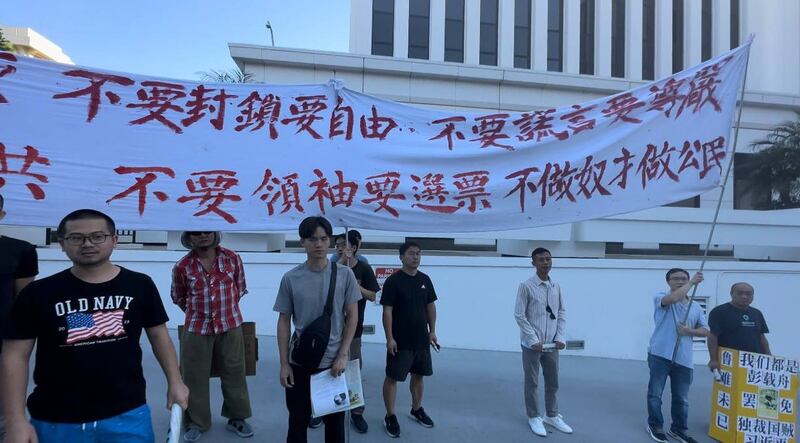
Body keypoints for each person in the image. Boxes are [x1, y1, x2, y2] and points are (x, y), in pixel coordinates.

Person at [1, 209, 189, 443]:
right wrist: (15, 420)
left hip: (128, 413)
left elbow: (159, 335)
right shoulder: (38, 293)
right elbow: (14, 356)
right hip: (55, 417)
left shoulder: (139, 284)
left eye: (98, 236)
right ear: (62, 243)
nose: (87, 243)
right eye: (76, 238)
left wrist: (175, 381)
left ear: (114, 240)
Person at [274, 216, 360, 443]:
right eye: (313, 239)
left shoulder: (345, 274)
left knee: (335, 427)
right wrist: (284, 364)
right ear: (302, 242)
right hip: (299, 362)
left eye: (324, 239)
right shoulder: (291, 278)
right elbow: (284, 321)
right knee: (297, 422)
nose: (319, 244)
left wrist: (343, 354)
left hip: (333, 364)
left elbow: (352, 316)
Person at [171, 231, 254, 441]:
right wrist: (201, 314)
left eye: (207, 231)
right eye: (196, 233)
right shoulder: (182, 266)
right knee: (194, 377)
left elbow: (239, 288)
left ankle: (237, 418)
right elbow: (179, 297)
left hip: (230, 325)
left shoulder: (232, 258)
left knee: (235, 373)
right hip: (196, 329)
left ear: (215, 234)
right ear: (189, 238)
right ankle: (196, 422)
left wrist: (221, 313)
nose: (203, 236)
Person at [381, 241, 438, 438]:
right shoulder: (393, 281)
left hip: (421, 340)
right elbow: (387, 311)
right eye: (412, 253)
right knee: (392, 378)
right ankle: (390, 416)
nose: (416, 257)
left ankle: (416, 409)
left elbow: (430, 306)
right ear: (401, 257)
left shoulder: (425, 279)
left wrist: (432, 331)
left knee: (419, 376)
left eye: (418, 253)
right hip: (400, 341)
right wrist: (389, 338)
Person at [514, 247, 573, 437]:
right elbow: (520, 315)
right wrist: (533, 339)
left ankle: (551, 415)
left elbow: (561, 312)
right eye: (541, 260)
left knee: (553, 381)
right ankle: (534, 416)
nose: (546, 262)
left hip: (551, 345)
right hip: (532, 345)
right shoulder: (526, 286)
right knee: (532, 382)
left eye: (548, 259)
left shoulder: (556, 286)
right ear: (534, 263)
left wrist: (560, 337)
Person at [645, 268, 709, 443]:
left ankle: (678, 429)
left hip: (684, 359)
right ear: (668, 282)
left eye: (684, 279)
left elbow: (705, 330)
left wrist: (689, 331)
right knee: (655, 394)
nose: (680, 281)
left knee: (681, 398)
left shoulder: (695, 307)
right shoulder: (661, 297)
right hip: (660, 354)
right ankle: (655, 425)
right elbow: (673, 298)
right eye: (675, 279)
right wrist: (692, 282)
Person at [0, 194, 39, 441]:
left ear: (2, 214)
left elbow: (22, 300)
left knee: (5, 419)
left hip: (3, 345)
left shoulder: (20, 249)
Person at [338, 231, 379, 433]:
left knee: (352, 370)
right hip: (330, 329)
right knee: (326, 369)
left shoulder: (364, 268)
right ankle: (324, 409)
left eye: (343, 244)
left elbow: (372, 296)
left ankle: (356, 412)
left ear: (354, 248)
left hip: (353, 329)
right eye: (337, 245)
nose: (339, 248)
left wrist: (356, 286)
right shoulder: (331, 267)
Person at [707, 282, 771, 370]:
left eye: (748, 294)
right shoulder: (719, 312)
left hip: (755, 361)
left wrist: (769, 357)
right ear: (731, 294)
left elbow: (762, 337)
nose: (744, 296)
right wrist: (713, 360)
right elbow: (713, 336)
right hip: (729, 361)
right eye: (740, 293)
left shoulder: (757, 313)